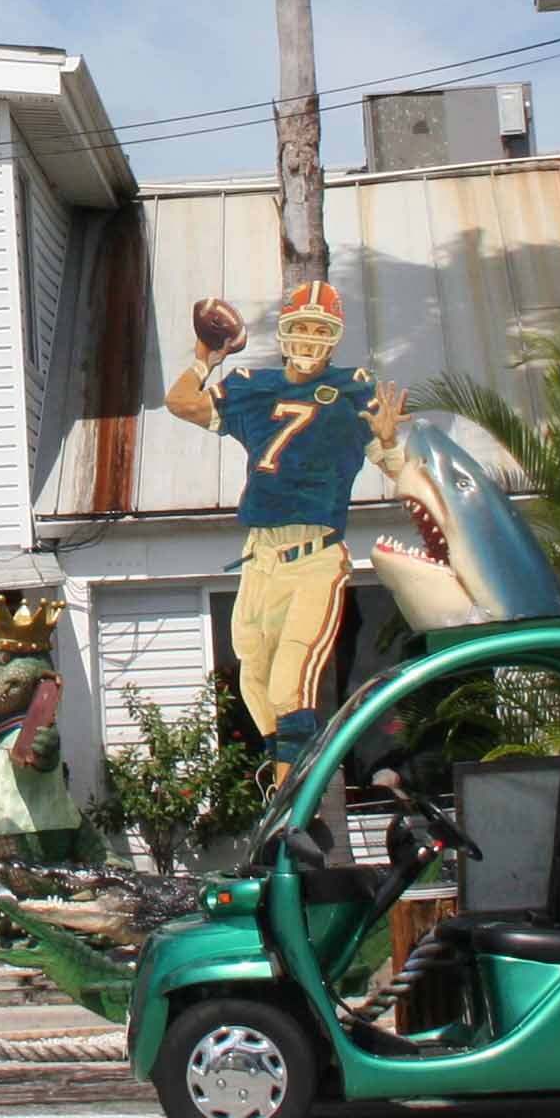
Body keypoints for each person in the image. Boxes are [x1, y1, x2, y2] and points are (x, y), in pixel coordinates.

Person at [164, 281, 404, 776]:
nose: (311, 338)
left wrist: (389, 441)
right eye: (302, 327)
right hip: (260, 556)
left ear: (334, 336)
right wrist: (206, 357)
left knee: (288, 685)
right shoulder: (254, 386)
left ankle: (294, 796)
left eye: (321, 328)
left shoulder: (354, 387)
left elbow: (397, 469)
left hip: (315, 557)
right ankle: (286, 777)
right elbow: (181, 402)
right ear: (285, 331)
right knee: (252, 676)